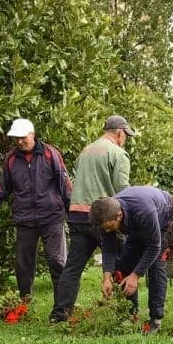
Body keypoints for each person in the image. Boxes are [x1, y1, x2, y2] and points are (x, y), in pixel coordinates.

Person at [0, 118, 71, 320]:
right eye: (16, 138)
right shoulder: (11, 159)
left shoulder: (51, 154)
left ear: (32, 135)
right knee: (23, 265)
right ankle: (24, 306)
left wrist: (73, 211)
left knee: (57, 261)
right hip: (25, 219)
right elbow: (3, 189)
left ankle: (62, 309)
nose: (19, 142)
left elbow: (65, 184)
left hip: (52, 217)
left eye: (23, 138)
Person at [53, 115, 138, 322]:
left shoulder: (86, 151)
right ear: (119, 133)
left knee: (72, 267)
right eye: (125, 135)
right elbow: (122, 190)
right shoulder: (118, 153)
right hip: (104, 217)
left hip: (77, 216)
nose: (125, 139)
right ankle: (128, 314)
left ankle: (60, 315)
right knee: (123, 263)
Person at [89, 186, 173, 333]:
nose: (108, 231)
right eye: (105, 228)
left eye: (110, 227)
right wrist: (107, 277)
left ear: (119, 215)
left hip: (162, 217)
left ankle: (155, 320)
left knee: (155, 267)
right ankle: (130, 314)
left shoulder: (144, 212)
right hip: (136, 223)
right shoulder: (104, 215)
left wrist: (135, 276)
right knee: (123, 267)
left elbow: (154, 246)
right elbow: (108, 248)